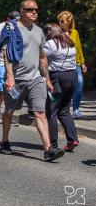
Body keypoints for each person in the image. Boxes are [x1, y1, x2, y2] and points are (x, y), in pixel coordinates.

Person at [1, 0, 64, 162]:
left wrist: (47, 79)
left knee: (40, 113)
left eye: (36, 9)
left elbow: (43, 57)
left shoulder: (38, 31)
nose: (34, 12)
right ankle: (5, 140)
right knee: (9, 112)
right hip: (16, 79)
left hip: (35, 78)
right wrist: (9, 76)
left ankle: (48, 149)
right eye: (29, 9)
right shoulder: (13, 30)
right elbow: (7, 54)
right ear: (21, 11)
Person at [43, 23, 79, 152]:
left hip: (57, 78)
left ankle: (53, 144)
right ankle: (72, 139)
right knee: (64, 110)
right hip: (72, 76)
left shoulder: (51, 44)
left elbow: (41, 58)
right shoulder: (69, 42)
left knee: (52, 110)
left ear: (49, 32)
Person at [0, 11, 21, 125]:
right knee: (2, 90)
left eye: (17, 20)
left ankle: (8, 114)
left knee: (11, 90)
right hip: (1, 63)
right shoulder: (0, 27)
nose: (15, 22)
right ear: (8, 18)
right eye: (13, 19)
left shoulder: (20, 27)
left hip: (15, 64)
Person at [57, 11, 87, 119]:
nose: (62, 22)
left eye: (65, 20)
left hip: (75, 63)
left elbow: (78, 47)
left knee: (79, 83)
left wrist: (82, 62)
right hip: (61, 63)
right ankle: (60, 108)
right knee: (63, 86)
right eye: (61, 20)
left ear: (70, 21)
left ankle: (76, 110)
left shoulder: (75, 32)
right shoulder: (56, 32)